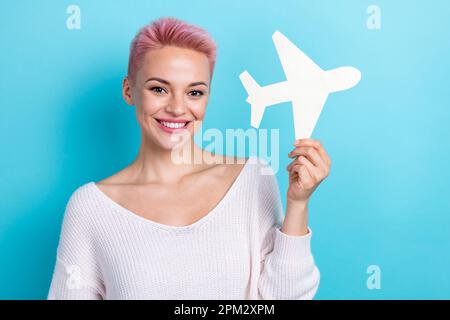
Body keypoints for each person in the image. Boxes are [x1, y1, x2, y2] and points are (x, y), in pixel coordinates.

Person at [47, 16, 331, 300]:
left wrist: (298, 203)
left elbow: (284, 298)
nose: (177, 108)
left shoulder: (253, 177)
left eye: (194, 92)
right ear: (129, 90)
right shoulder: (90, 208)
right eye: (159, 89)